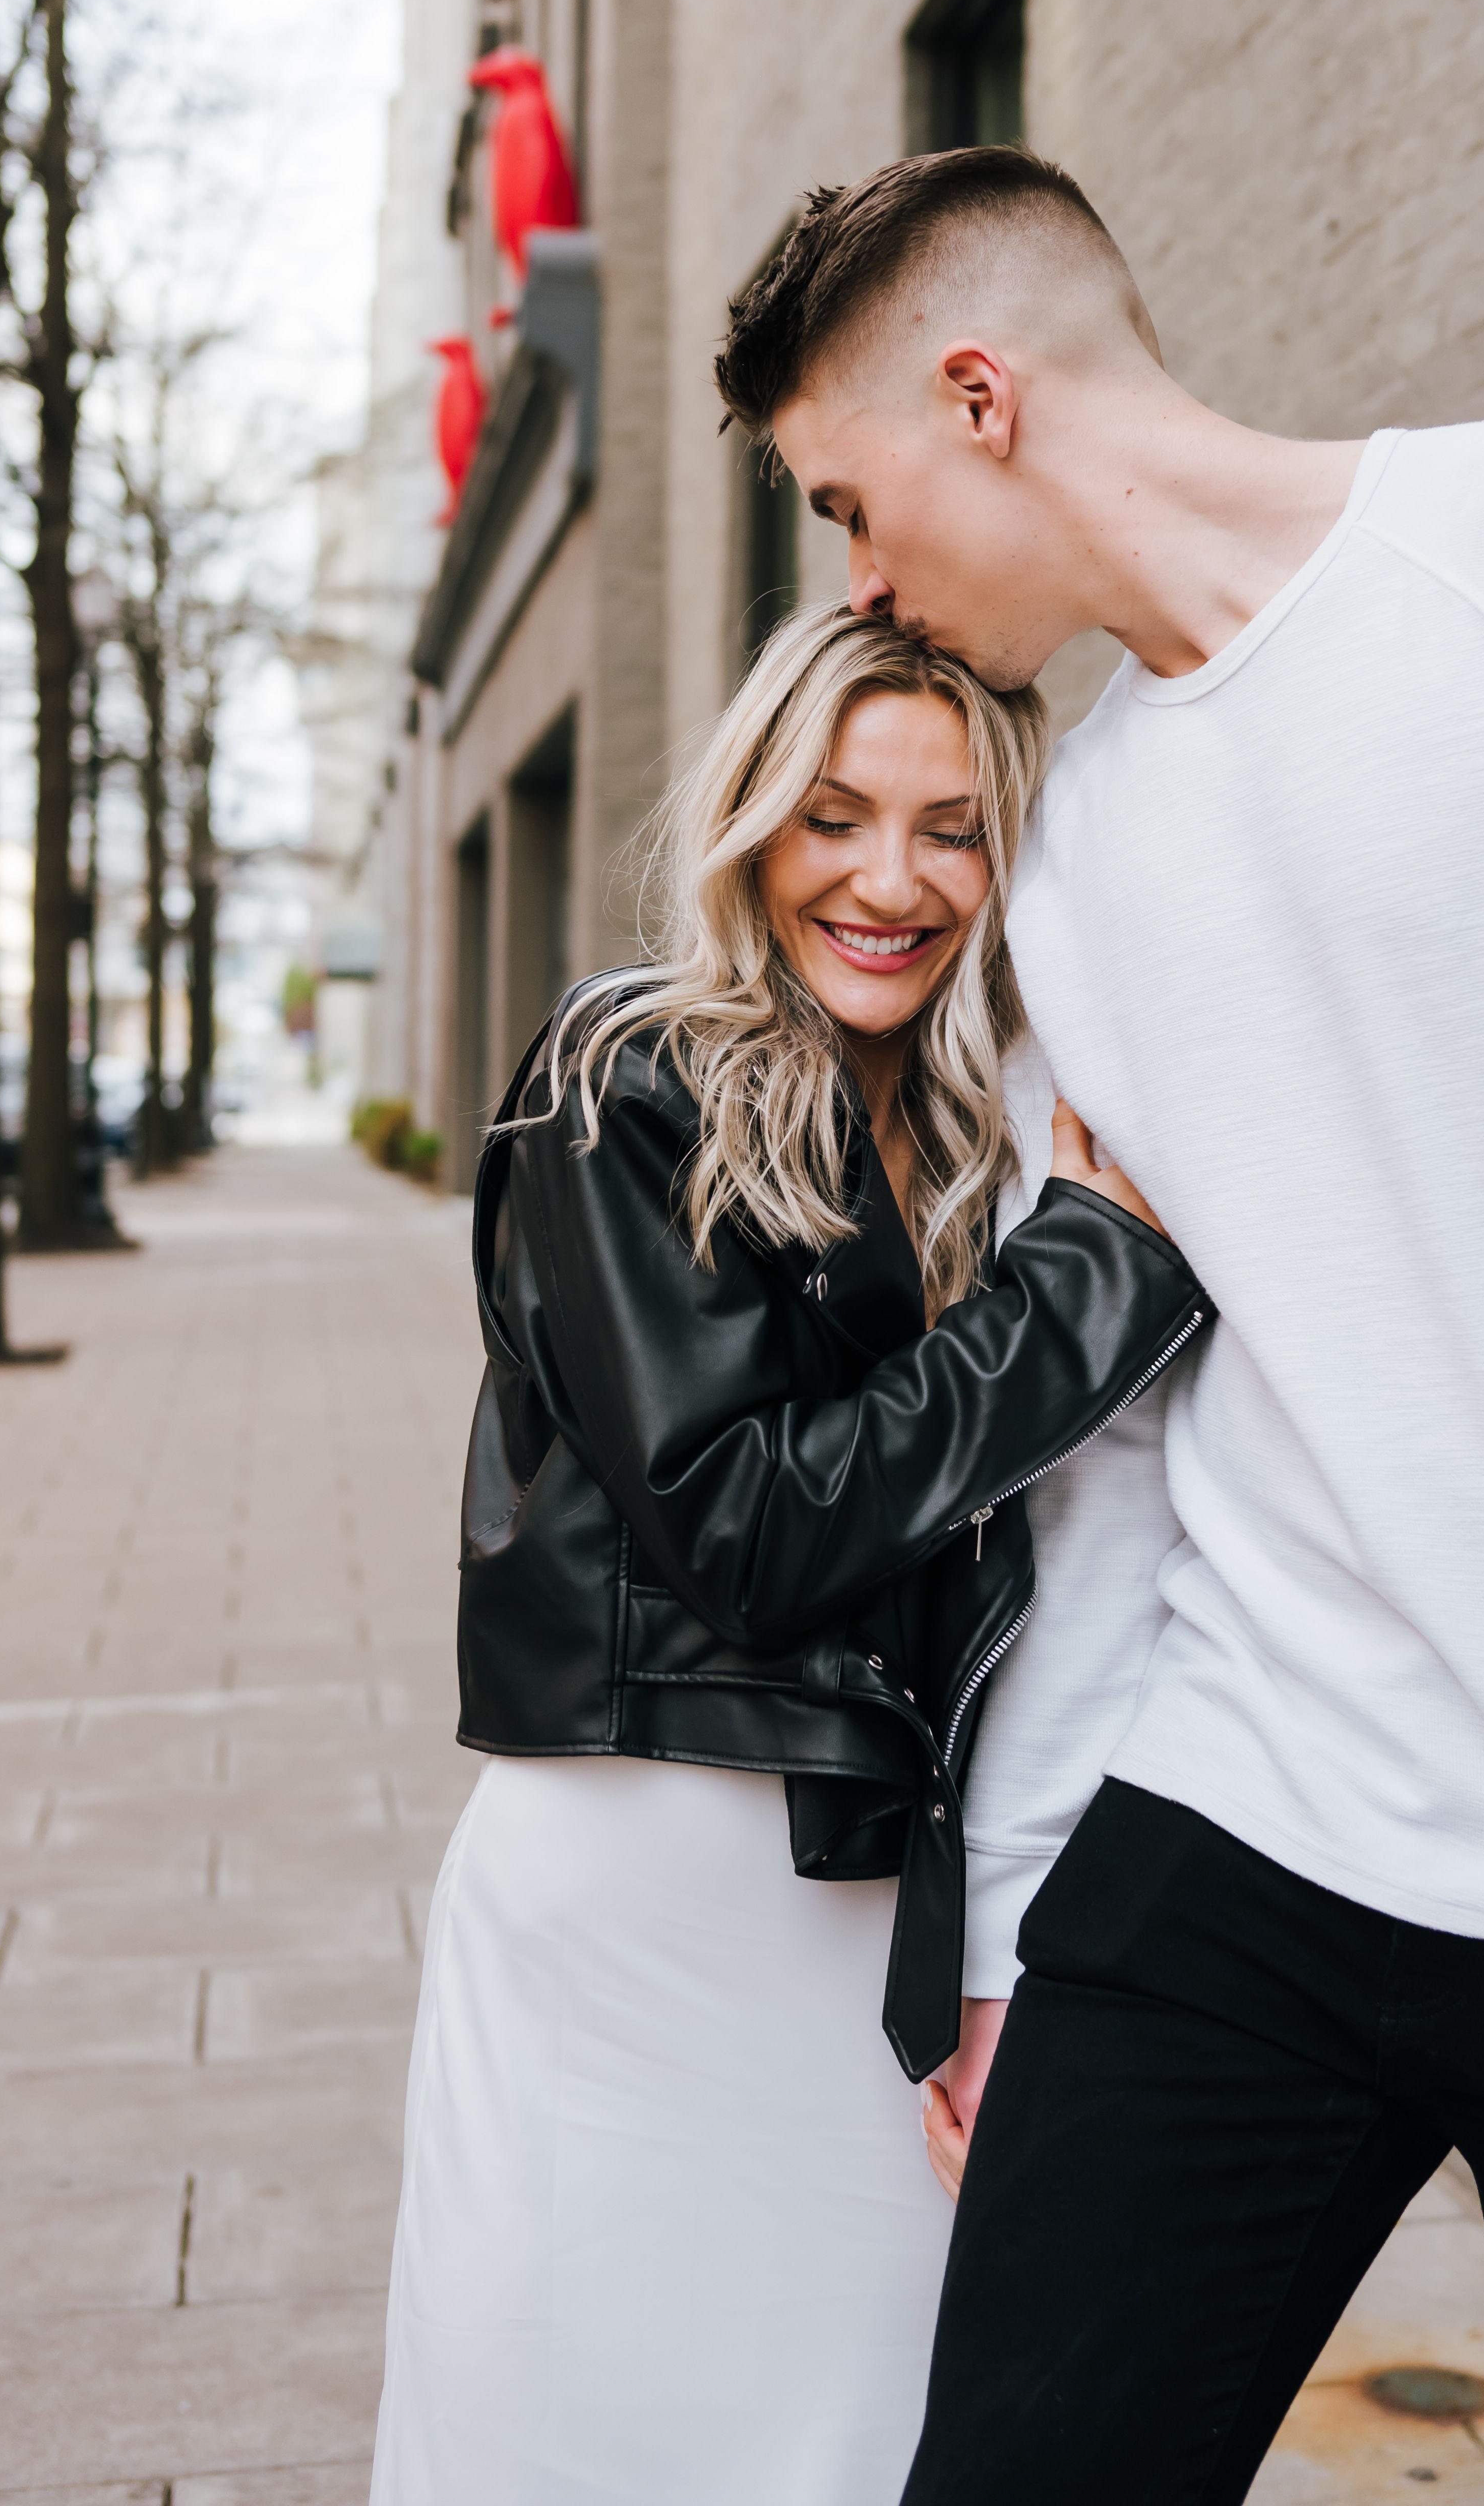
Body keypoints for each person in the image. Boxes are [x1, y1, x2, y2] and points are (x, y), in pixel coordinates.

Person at [712, 145, 1484, 2505]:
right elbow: (1121, 1453)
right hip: (1249, 1835)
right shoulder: (1074, 858)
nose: (860, 582)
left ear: (980, 394)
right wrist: (1016, 1925)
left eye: (848, 505)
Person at [366, 601, 1209, 2506]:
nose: (889, 883)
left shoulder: (982, 1124)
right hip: (638, 1885)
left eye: (952, 830)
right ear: (754, 820)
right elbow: (751, 1527)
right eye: (836, 817)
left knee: (849, 2441)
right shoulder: (626, 1077)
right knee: (570, 2439)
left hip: (872, 1921)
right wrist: (1081, 1292)